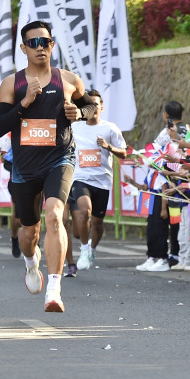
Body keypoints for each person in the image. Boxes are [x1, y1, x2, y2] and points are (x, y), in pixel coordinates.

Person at [0, 20, 92, 313]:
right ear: (23, 48)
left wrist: (79, 113)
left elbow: (91, 107)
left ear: (52, 45)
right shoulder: (12, 84)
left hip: (59, 159)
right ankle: (30, 263)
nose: (40, 48)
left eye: (45, 42)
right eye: (33, 43)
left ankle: (54, 290)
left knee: (55, 215)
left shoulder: (69, 80)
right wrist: (24, 102)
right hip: (24, 167)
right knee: (29, 233)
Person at [68, 90, 127, 272]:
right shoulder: (75, 127)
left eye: (96, 104)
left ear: (102, 107)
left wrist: (108, 147)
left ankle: (92, 249)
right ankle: (84, 249)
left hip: (102, 181)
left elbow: (124, 153)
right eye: (89, 104)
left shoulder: (110, 128)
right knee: (84, 210)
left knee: (98, 223)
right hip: (80, 177)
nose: (93, 108)